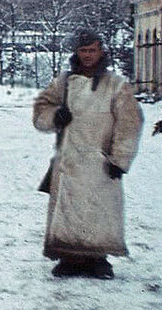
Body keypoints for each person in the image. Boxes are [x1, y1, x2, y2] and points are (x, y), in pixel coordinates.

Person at [33, 29, 142, 279]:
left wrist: (120, 159)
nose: (87, 55)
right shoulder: (63, 83)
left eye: (92, 50)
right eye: (82, 50)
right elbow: (41, 111)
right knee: (69, 212)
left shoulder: (116, 86)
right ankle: (68, 257)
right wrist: (54, 116)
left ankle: (98, 259)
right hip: (69, 160)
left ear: (101, 50)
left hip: (100, 161)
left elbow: (129, 124)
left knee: (98, 211)